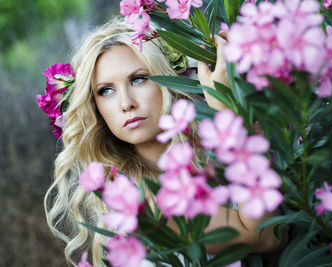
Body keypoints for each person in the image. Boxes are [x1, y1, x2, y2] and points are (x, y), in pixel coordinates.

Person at [44, 17, 286, 266]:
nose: (126, 103)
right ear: (96, 108)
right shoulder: (142, 202)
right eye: (106, 90)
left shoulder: (213, 155)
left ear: (169, 80)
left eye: (138, 79)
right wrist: (228, 116)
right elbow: (268, 236)